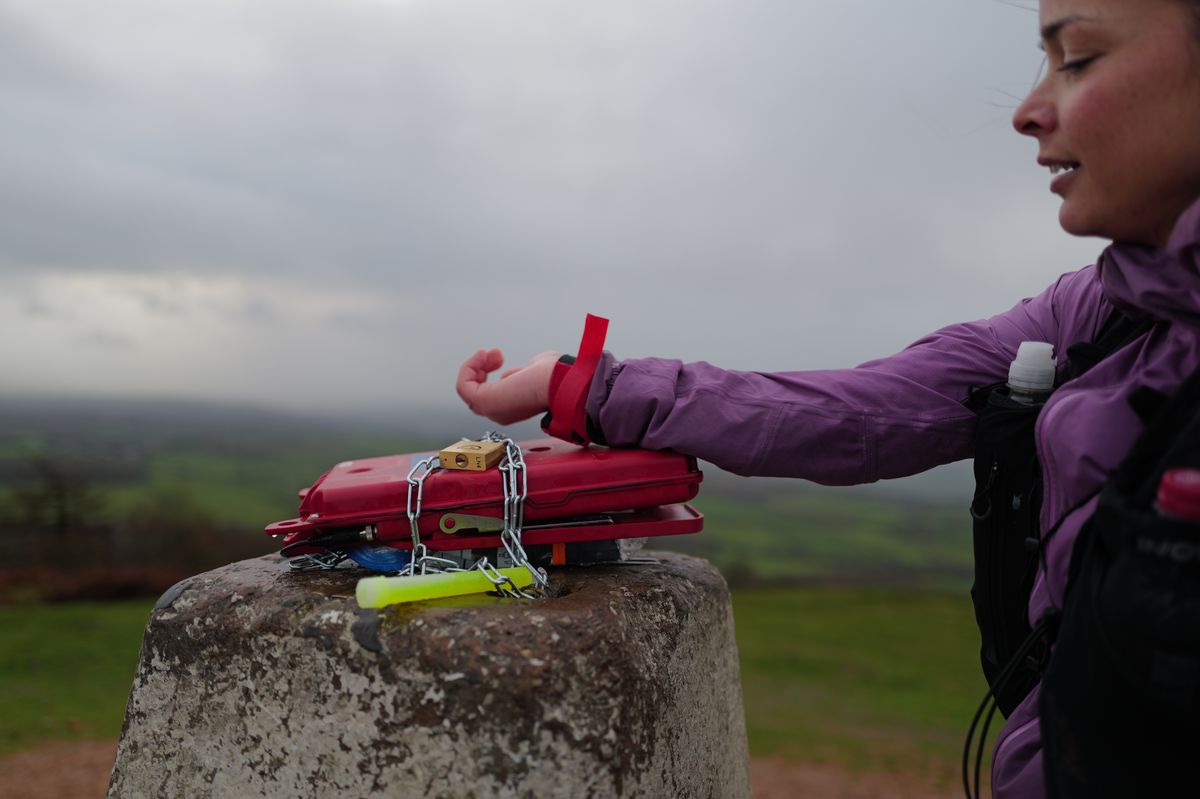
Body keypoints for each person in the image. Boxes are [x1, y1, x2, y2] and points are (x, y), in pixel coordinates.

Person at [455, 0, 1200, 796]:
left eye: (1077, 59)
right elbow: (862, 412)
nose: (1028, 111)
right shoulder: (1101, 312)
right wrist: (583, 385)